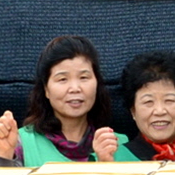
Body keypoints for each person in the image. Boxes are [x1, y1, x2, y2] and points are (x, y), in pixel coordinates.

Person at [22, 35, 121, 164]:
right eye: (63, 79)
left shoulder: (117, 144)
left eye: (84, 77)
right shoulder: (21, 143)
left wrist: (106, 163)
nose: (75, 88)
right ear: (46, 89)